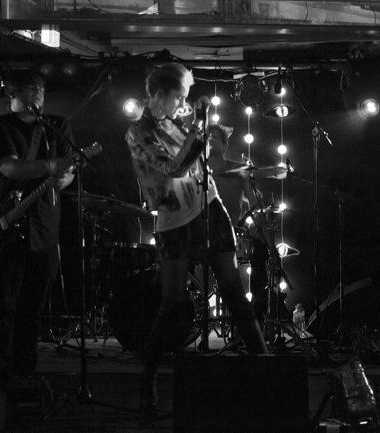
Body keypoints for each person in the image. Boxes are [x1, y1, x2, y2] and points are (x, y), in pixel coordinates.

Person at [126, 63, 268, 411]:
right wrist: (196, 131)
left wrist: (201, 122)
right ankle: (147, 380)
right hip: (175, 219)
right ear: (160, 95)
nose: (183, 104)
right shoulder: (139, 132)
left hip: (209, 207)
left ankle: (267, 369)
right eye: (179, 97)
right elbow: (173, 167)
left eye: (185, 98)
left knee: (235, 293)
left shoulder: (181, 120)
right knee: (172, 301)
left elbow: (208, 153)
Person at [0, 69, 75, 376]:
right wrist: (52, 166)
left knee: (32, 309)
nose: (38, 95)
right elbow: (11, 168)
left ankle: (24, 375)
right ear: (13, 94)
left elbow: (67, 173)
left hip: (43, 229)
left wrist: (64, 177)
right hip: (2, 228)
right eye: (31, 89)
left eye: (41, 89)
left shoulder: (57, 127)